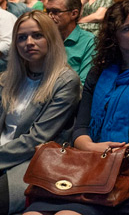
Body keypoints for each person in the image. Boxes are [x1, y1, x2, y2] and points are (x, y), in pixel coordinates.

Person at [25, 0, 129, 215]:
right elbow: (81, 128)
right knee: (33, 213)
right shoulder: (99, 71)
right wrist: (93, 149)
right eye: (128, 28)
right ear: (113, 36)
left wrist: (120, 153)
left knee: (68, 214)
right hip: (92, 160)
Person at [0, 12, 81, 214]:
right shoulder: (7, 78)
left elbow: (37, 138)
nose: (29, 42)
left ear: (50, 38)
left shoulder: (65, 81)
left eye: (37, 35)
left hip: (34, 161)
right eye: (21, 37)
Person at [45, 0, 96, 83]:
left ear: (74, 14)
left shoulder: (89, 41)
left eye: (56, 12)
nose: (49, 16)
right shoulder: (44, 38)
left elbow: (84, 83)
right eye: (47, 11)